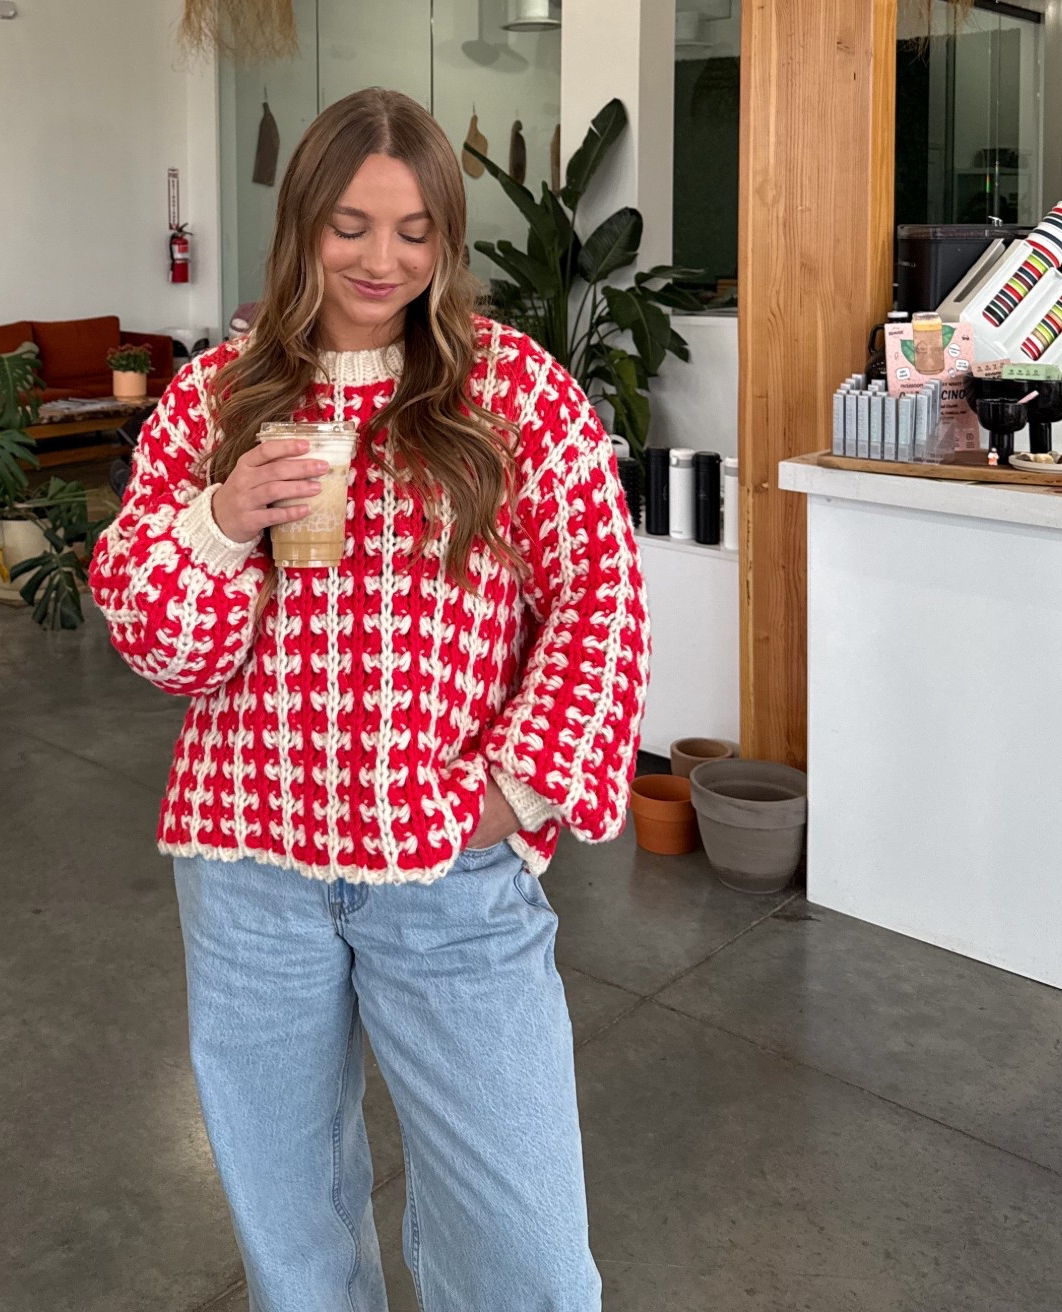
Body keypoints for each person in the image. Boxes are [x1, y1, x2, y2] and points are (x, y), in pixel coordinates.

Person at [90, 87, 648, 1312]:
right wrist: (222, 517)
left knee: (528, 1251)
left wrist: (513, 792)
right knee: (291, 1232)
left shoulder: (517, 392)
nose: (381, 259)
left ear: (446, 236)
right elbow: (158, 645)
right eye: (350, 225)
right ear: (302, 227)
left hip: (446, 872)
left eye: (413, 230)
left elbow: (600, 602)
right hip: (249, 871)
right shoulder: (217, 395)